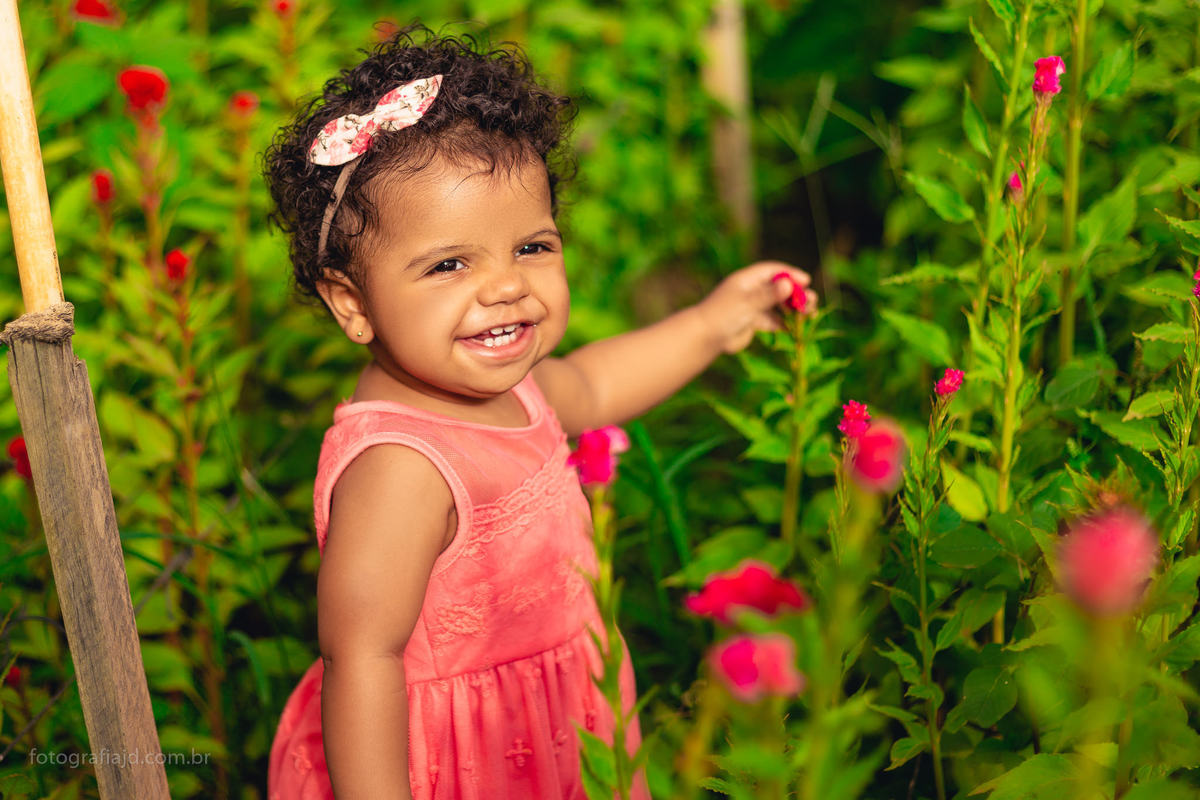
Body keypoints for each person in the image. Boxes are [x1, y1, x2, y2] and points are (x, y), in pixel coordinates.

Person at [263, 25, 816, 800]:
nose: (505, 287)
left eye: (532, 247)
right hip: (450, 764)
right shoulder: (401, 468)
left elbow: (592, 385)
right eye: (450, 264)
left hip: (555, 728)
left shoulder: (508, 387)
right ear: (353, 303)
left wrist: (710, 325)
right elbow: (362, 660)